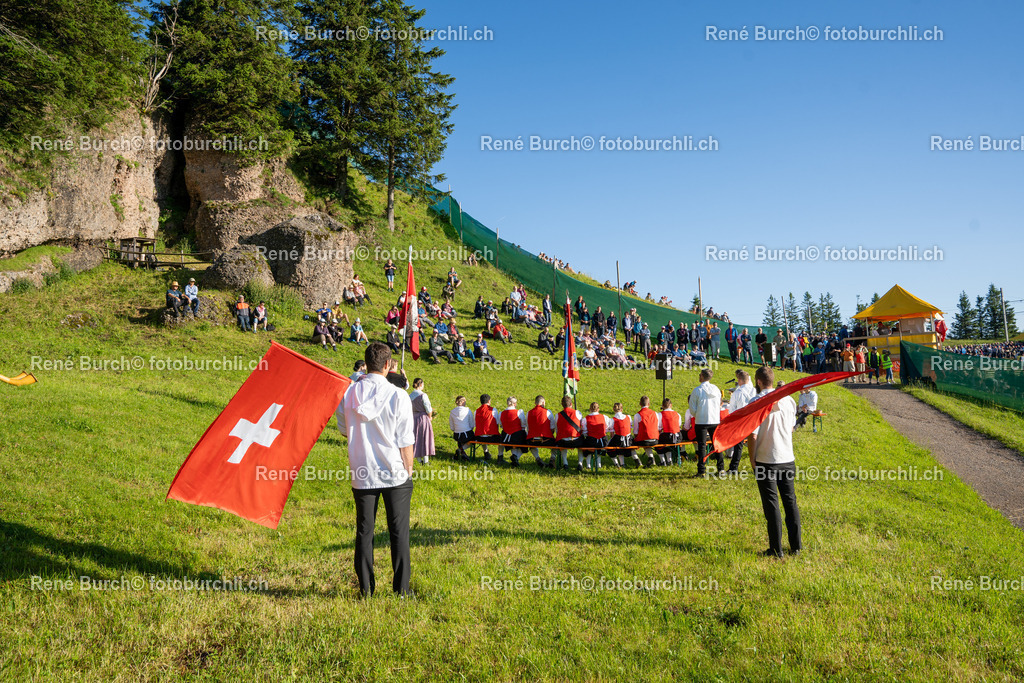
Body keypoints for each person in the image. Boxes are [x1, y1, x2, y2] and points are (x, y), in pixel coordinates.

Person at [335, 343, 415, 596]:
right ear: (387, 365)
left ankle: (366, 589)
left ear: (366, 363)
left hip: (362, 469)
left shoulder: (348, 393)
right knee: (399, 532)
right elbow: (405, 440)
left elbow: (344, 429)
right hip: (394, 471)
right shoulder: (398, 395)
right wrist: (409, 470)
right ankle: (401, 590)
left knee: (364, 531)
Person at [749, 366, 802, 559]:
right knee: (790, 502)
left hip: (765, 459)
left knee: (771, 505)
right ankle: (796, 546)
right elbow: (791, 428)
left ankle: (776, 549)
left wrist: (752, 459)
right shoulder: (788, 400)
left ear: (758, 382)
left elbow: (752, 435)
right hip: (787, 457)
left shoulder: (756, 401)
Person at [689, 368, 723, 477]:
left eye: (700, 375)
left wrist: (698, 414)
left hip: (701, 420)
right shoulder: (716, 389)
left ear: (702, 376)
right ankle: (721, 468)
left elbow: (692, 408)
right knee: (717, 444)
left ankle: (701, 470)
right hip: (714, 419)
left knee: (702, 446)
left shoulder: (697, 390)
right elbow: (719, 404)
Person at [726, 370, 757, 473]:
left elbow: (732, 410)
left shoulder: (737, 392)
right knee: (755, 443)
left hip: (740, 421)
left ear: (739, 380)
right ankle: (757, 468)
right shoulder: (755, 390)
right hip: (753, 420)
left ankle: (733, 468)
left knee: (738, 446)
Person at [525, 395, 557, 467]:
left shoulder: (528, 413)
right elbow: (552, 428)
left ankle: (538, 458)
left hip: (532, 440)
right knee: (557, 444)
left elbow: (528, 428)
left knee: (531, 446)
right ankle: (552, 459)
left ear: (535, 403)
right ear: (543, 402)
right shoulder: (548, 412)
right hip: (546, 440)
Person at [553, 395, 583, 469]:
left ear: (562, 405)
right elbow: (581, 425)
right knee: (582, 443)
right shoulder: (577, 412)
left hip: (563, 441)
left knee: (562, 443)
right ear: (571, 404)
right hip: (576, 440)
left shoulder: (557, 415)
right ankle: (580, 463)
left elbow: (557, 429)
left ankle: (565, 463)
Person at [409, 378, 435, 465]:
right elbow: (428, 408)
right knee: (425, 438)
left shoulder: (410, 396)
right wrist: (430, 416)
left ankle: (419, 460)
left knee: (416, 438)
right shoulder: (423, 395)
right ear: (420, 384)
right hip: (423, 418)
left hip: (413, 418)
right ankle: (426, 460)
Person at [582, 402, 613, 470]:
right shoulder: (604, 417)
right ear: (598, 409)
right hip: (602, 441)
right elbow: (607, 427)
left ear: (590, 409)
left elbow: (584, 431)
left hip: (591, 441)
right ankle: (598, 464)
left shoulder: (586, 418)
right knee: (598, 448)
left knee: (587, 447)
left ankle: (588, 465)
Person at [608, 402, 639, 468]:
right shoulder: (628, 417)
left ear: (613, 409)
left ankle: (618, 464)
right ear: (622, 409)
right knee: (631, 448)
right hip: (629, 438)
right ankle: (638, 461)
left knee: (610, 448)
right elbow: (629, 427)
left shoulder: (613, 420)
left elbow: (612, 434)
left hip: (619, 438)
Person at [632, 396, 661, 467]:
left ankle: (638, 461)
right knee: (647, 442)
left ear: (640, 404)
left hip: (644, 440)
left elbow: (635, 431)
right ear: (649, 404)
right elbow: (658, 427)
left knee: (629, 444)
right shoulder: (655, 413)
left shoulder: (637, 415)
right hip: (655, 439)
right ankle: (651, 459)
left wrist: (636, 437)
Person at [499, 396, 528, 466]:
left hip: (505, 438)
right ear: (515, 404)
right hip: (517, 437)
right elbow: (523, 425)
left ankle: (515, 457)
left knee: (514, 443)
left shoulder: (501, 413)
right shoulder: (519, 412)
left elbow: (501, 425)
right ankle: (516, 457)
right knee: (525, 442)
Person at [473, 395, 502, 460]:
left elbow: (475, 424)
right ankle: (500, 456)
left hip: (479, 438)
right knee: (502, 439)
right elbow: (497, 422)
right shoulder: (493, 410)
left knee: (482, 433)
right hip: (491, 437)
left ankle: (486, 452)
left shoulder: (476, 411)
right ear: (489, 401)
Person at [656, 398, 683, 466]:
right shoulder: (677, 414)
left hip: (667, 437)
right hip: (678, 437)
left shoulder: (660, 414)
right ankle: (669, 460)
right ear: (671, 405)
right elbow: (679, 425)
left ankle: (663, 461)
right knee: (667, 442)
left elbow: (658, 427)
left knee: (657, 442)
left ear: (662, 406)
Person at [449, 396, 475, 460]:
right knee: (474, 440)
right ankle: (461, 450)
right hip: (467, 434)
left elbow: (452, 427)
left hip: (457, 435)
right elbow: (472, 424)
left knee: (460, 440)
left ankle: (462, 453)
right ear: (463, 402)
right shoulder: (468, 411)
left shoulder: (452, 412)